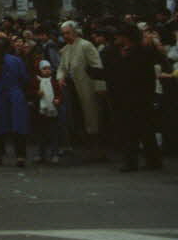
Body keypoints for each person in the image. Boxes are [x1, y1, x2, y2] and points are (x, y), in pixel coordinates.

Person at [106, 24, 170, 171]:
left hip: (139, 95)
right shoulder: (125, 51)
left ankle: (139, 161)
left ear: (126, 37)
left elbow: (142, 72)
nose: (116, 38)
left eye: (119, 35)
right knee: (140, 129)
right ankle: (149, 160)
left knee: (136, 129)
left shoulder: (141, 51)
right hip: (133, 95)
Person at [57, 21, 105, 160]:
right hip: (73, 89)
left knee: (92, 118)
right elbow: (61, 68)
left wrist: (100, 87)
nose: (65, 36)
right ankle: (88, 149)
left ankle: (98, 151)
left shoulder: (86, 45)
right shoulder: (65, 49)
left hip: (88, 87)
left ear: (75, 32)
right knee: (79, 118)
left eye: (68, 33)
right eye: (63, 34)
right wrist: (60, 77)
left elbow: (97, 67)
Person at [0, 36, 31, 166]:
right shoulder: (16, 60)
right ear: (9, 47)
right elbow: (24, 78)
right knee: (18, 125)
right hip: (16, 94)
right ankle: (20, 156)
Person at [33, 60, 62, 164]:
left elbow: (59, 93)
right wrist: (37, 94)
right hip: (41, 112)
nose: (47, 71)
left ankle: (54, 153)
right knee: (41, 134)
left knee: (54, 133)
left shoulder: (54, 82)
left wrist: (58, 99)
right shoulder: (37, 81)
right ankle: (41, 154)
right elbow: (32, 93)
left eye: (49, 68)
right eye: (44, 69)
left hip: (53, 110)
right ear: (40, 70)